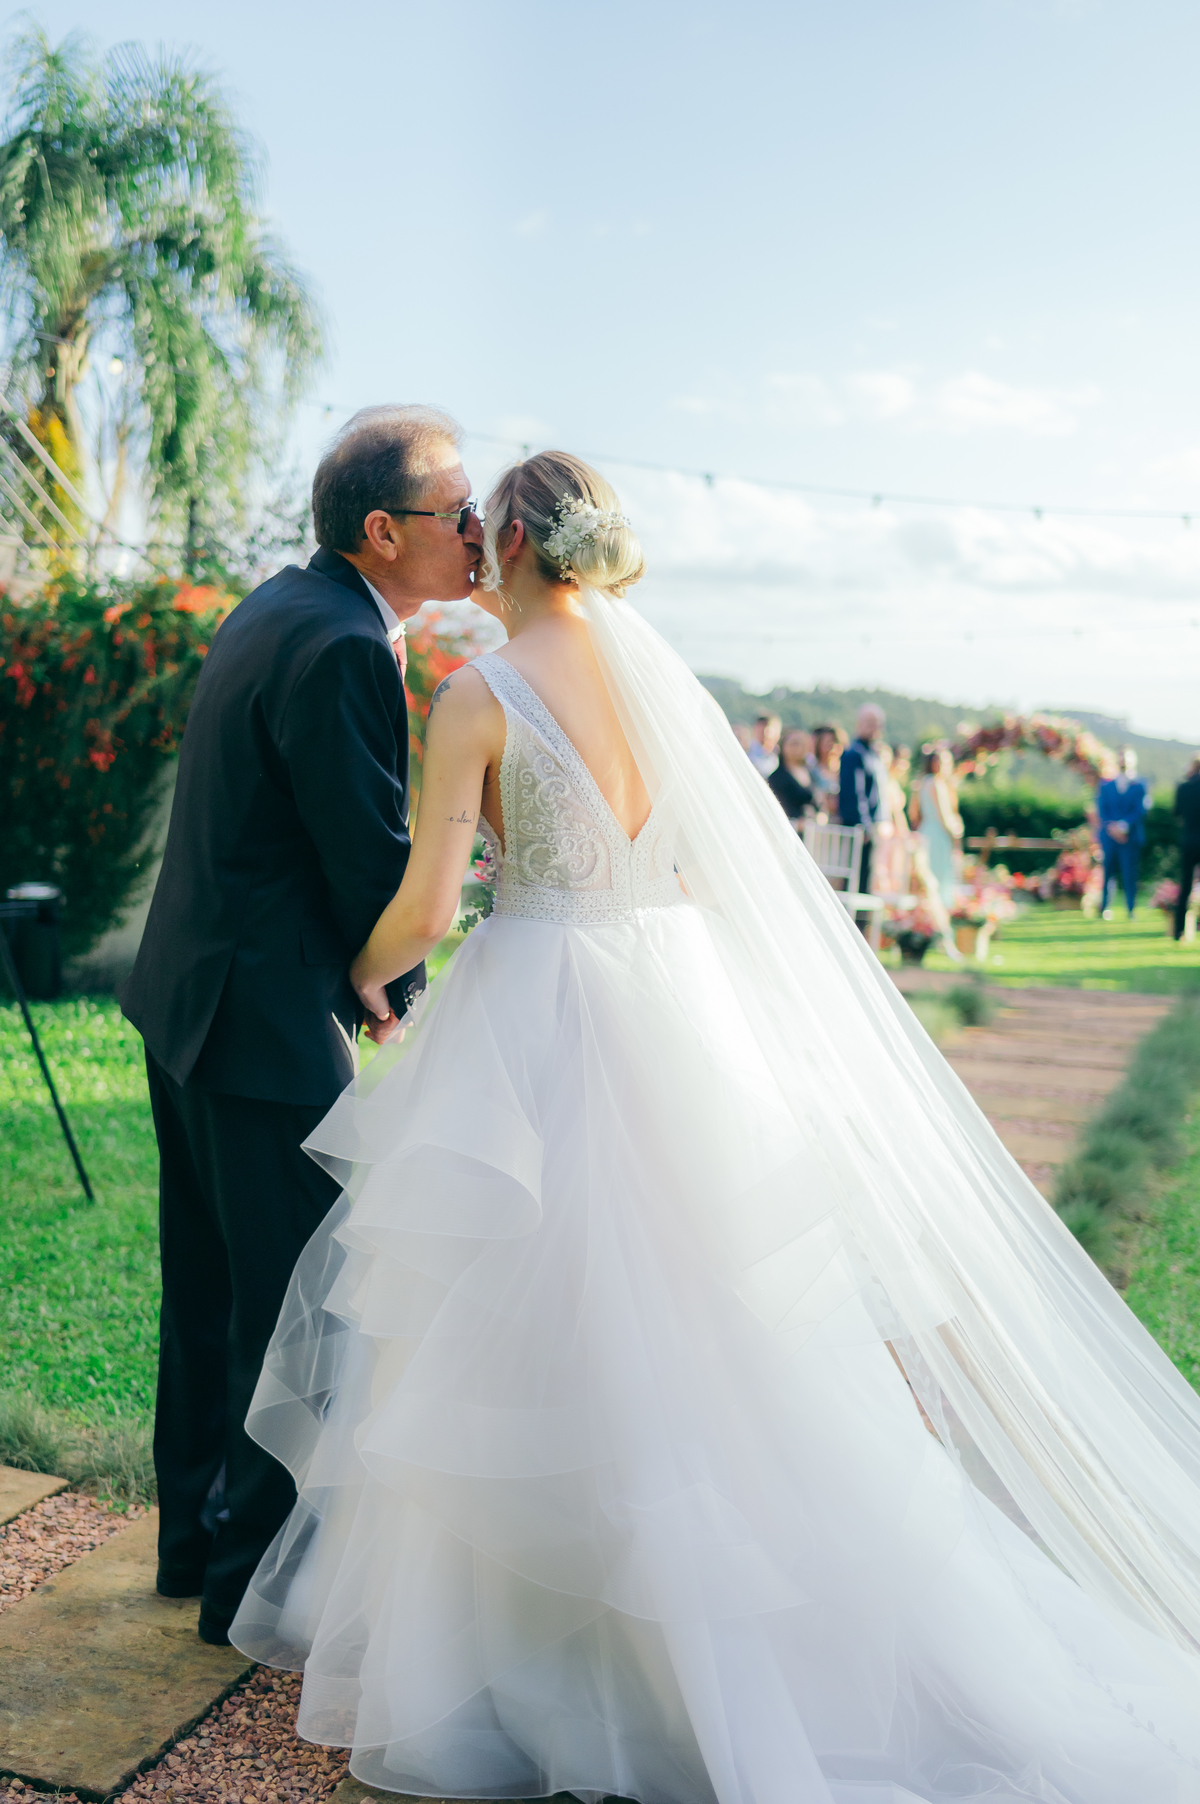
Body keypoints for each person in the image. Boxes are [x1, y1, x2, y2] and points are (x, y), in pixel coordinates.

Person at [231, 452, 1200, 1801]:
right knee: (713, 1333)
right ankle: (710, 1652)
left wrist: (355, 967)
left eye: (479, 526)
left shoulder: (478, 695)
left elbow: (432, 904)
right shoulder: (667, 685)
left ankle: (538, 1665)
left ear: (515, 542)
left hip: (538, 1008)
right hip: (673, 1002)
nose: (470, 548)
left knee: (526, 1332)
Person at [120, 405, 483, 1646]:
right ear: (383, 530)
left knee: (208, 1295)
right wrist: (398, 983)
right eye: (457, 510)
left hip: (192, 999)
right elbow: (367, 854)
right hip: (262, 1023)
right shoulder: (344, 646)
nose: (476, 529)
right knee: (290, 1312)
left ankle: (191, 1545)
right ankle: (249, 1591)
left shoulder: (279, 604)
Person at [837, 704, 889, 907]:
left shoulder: (873, 754)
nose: (873, 727)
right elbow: (854, 795)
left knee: (867, 885)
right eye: (868, 722)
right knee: (857, 885)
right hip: (859, 830)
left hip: (873, 828)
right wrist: (865, 827)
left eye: (876, 723)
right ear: (857, 724)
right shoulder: (853, 754)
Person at [1096, 747, 1150, 919]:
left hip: (1130, 838)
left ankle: (1131, 909)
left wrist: (1124, 826)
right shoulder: (1106, 785)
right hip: (1109, 838)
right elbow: (1102, 810)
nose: (1123, 762)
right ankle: (1104, 907)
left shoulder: (1140, 785)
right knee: (1107, 873)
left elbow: (1141, 809)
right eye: (1121, 758)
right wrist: (1113, 828)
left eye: (1126, 758)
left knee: (1130, 874)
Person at [909, 744, 963, 907]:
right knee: (939, 874)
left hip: (927, 830)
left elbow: (913, 813)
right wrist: (954, 836)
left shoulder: (924, 782)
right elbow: (943, 815)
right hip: (938, 834)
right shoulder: (936, 783)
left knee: (929, 873)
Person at [767, 726, 815, 828]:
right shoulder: (776, 777)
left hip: (811, 829)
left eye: (801, 744)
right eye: (794, 744)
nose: (798, 748)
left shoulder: (811, 773)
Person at [1174, 751, 1200, 940]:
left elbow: (1177, 813)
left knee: (1185, 886)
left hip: (1189, 841)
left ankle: (1179, 930)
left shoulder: (1183, 787)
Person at [807, 722, 844, 818]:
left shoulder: (846, 771)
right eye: (827, 743)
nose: (832, 747)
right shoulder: (811, 771)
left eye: (835, 742)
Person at [747, 711, 781, 776]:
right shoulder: (746, 751)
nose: (765, 733)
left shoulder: (781, 755)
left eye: (768, 729)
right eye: (760, 730)